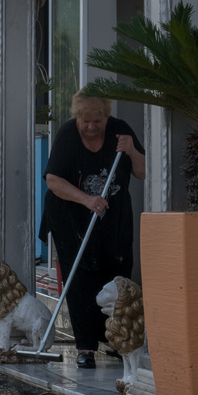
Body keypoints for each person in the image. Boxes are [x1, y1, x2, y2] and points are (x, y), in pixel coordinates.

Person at [39, 90, 145, 369]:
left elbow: (143, 171)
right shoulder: (67, 137)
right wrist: (87, 199)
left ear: (106, 117)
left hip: (114, 215)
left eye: (97, 120)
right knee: (81, 275)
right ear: (77, 117)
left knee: (115, 273)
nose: (91, 126)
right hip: (71, 215)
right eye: (85, 120)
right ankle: (85, 346)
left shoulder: (121, 132)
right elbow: (52, 180)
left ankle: (113, 339)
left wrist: (131, 150)